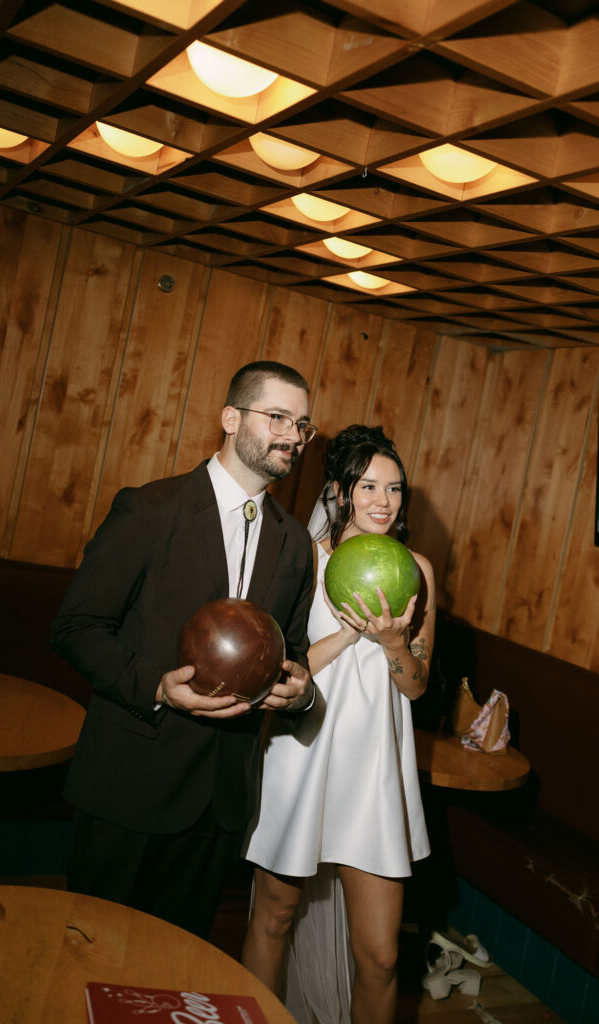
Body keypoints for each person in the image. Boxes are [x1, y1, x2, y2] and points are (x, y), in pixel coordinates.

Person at [51, 361, 317, 938]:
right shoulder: (150, 509)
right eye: (278, 418)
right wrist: (156, 686)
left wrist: (299, 695)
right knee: (88, 957)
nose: (293, 436)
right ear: (230, 418)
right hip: (130, 783)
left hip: (221, 802)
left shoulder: (296, 544)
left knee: (177, 970)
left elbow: (290, 654)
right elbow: (76, 627)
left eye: (302, 425)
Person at [242, 424, 435, 1024]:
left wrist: (394, 642)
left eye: (395, 488)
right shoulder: (304, 556)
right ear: (340, 491)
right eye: (368, 486)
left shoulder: (417, 570)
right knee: (274, 917)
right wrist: (349, 634)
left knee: (380, 956)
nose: (384, 501)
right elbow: (274, 666)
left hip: (374, 766)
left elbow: (416, 685)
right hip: (303, 751)